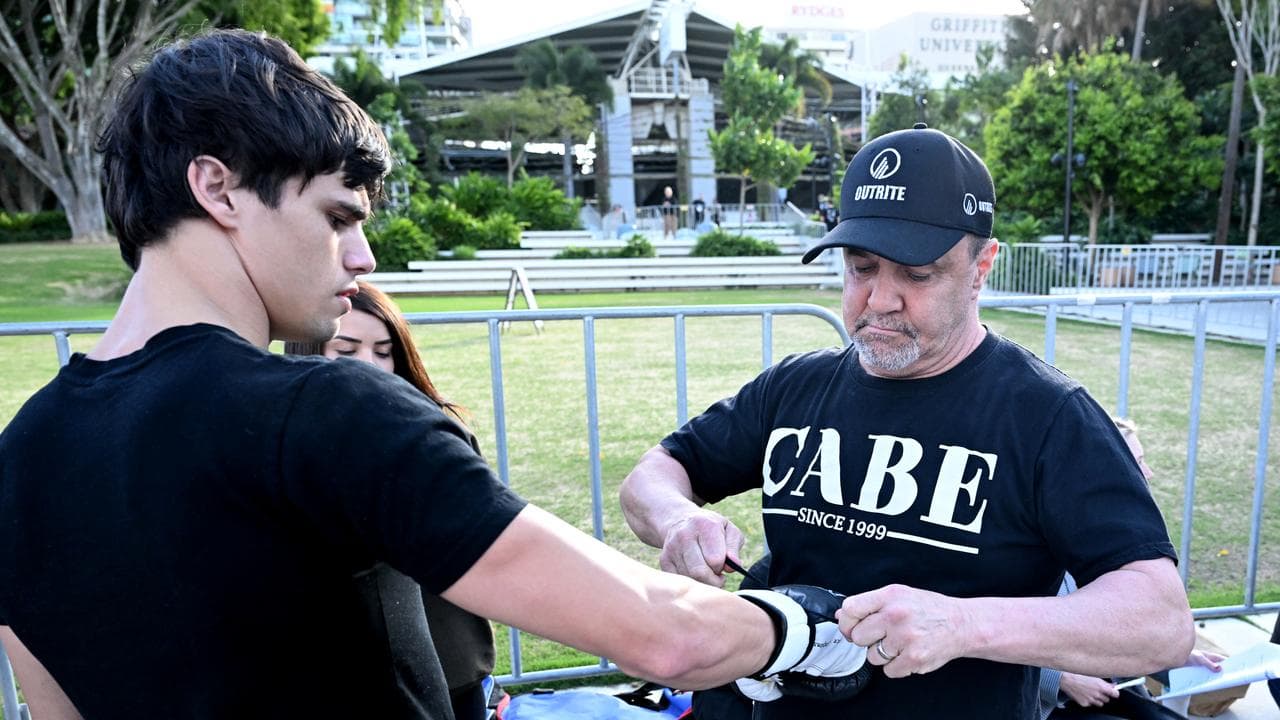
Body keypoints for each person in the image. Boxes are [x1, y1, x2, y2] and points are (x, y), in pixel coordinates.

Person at [0, 29, 868, 719]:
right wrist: (809, 623)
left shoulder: (17, 459)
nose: (362, 254)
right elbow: (663, 637)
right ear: (218, 190)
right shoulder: (324, 412)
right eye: (337, 215)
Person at [620, 124, 1193, 720]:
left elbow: (1160, 621)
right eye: (861, 267)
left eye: (917, 275)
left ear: (981, 266)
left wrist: (966, 623)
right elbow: (654, 474)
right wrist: (678, 519)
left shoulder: (1047, 415)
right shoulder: (795, 387)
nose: (880, 299)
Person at [285, 281, 494, 720]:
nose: (371, 366)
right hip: (337, 677)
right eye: (347, 350)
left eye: (383, 351)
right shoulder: (282, 440)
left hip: (450, 667)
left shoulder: (431, 433)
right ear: (306, 351)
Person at [1038, 418, 1223, 720]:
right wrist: (1063, 680)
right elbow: (989, 637)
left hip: (1113, 688)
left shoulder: (1121, 536)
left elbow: (1117, 632)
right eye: (1137, 461)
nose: (1148, 472)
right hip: (1047, 705)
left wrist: (1176, 660)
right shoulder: (1045, 534)